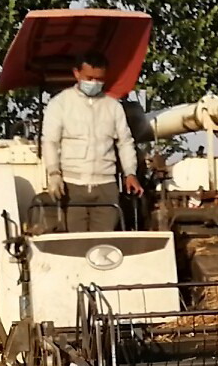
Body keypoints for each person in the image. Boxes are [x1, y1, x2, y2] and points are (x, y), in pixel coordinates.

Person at [40, 50, 143, 233]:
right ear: (76, 73)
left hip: (106, 186)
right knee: (75, 244)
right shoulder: (60, 104)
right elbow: (50, 142)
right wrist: (54, 174)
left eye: (99, 79)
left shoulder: (113, 107)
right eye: (89, 78)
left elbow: (125, 142)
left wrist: (130, 173)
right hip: (72, 187)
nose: (94, 83)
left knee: (104, 246)